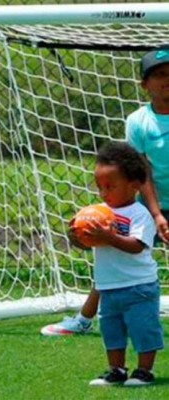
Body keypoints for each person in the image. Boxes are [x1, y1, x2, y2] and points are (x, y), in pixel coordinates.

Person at [41, 45, 169, 337]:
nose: (167, 80)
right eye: (160, 75)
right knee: (115, 264)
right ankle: (84, 320)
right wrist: (157, 213)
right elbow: (141, 170)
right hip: (147, 205)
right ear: (145, 84)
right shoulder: (139, 121)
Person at [70, 142, 163, 386]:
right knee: (111, 330)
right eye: (100, 186)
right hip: (108, 286)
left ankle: (144, 371)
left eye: (110, 186)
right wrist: (77, 235)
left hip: (139, 287)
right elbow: (87, 245)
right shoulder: (98, 212)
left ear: (133, 185)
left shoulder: (139, 213)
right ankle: (116, 370)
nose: (103, 193)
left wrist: (109, 237)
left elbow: (136, 245)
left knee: (144, 329)